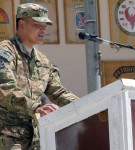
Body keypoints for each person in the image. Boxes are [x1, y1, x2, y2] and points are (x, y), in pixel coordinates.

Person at [0, 3, 78, 150]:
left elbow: (58, 92)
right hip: (8, 138)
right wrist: (36, 107)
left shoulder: (43, 61)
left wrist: (85, 106)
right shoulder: (5, 52)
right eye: (37, 25)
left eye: (45, 26)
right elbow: (5, 89)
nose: (43, 30)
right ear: (22, 24)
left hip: (36, 139)